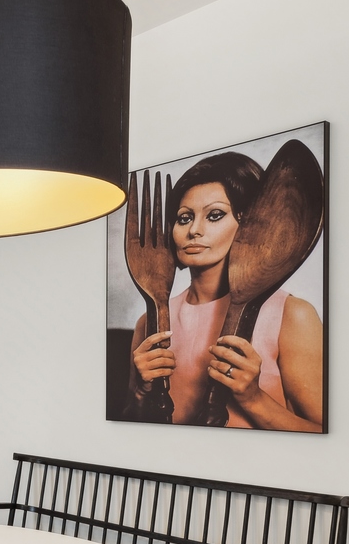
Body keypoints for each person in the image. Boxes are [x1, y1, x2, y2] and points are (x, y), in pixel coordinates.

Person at [126, 151, 324, 431]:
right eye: (184, 218)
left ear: (249, 223)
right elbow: (129, 426)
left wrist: (253, 398)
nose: (194, 230)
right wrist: (140, 394)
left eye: (215, 215)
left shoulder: (292, 315)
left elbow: (325, 434)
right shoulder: (150, 321)